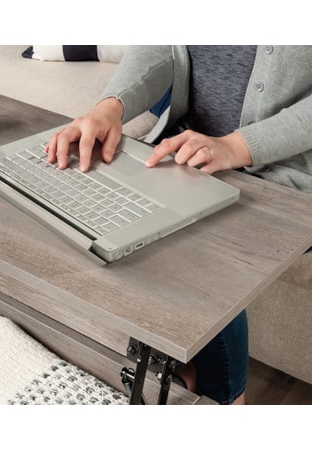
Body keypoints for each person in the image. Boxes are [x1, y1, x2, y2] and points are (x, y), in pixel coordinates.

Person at [45, 46, 312, 405]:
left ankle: (228, 402)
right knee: (92, 201)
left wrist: (238, 146)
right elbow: (166, 43)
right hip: (187, 149)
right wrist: (110, 106)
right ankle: (174, 368)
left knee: (198, 247)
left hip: (288, 172)